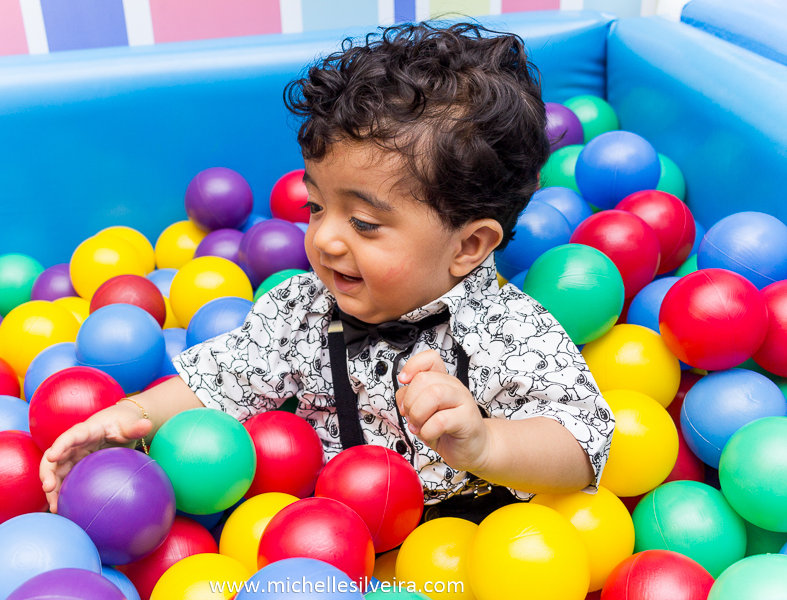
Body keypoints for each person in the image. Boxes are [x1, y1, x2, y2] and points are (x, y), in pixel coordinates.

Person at [40, 21, 614, 523]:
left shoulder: (512, 333)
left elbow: (582, 443)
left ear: (470, 245)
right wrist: (130, 417)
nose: (324, 238)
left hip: (467, 543)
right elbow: (220, 382)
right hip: (315, 531)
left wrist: (488, 444)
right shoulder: (300, 309)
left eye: (363, 223)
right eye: (316, 207)